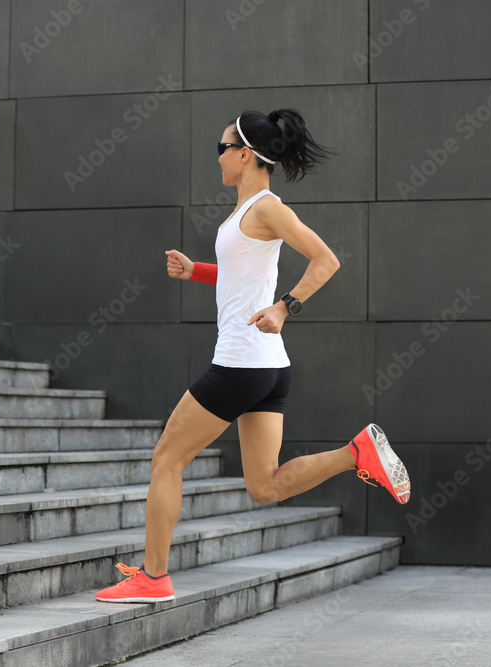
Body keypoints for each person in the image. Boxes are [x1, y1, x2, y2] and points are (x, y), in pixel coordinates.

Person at [95, 109, 410, 604]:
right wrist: (195, 270)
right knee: (264, 487)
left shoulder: (266, 208)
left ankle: (152, 577)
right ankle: (356, 454)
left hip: (241, 364)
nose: (217, 158)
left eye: (221, 149)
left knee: (166, 458)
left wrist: (286, 306)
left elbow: (326, 258)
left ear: (244, 154)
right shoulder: (245, 215)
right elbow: (242, 280)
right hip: (267, 369)